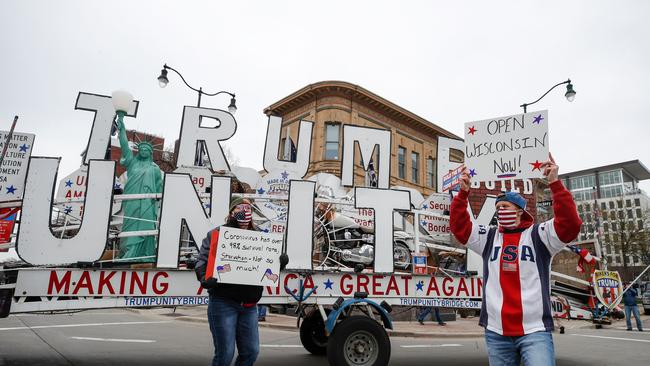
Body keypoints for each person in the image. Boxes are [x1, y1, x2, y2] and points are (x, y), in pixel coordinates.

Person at [450, 154, 581, 366]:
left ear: (520, 211)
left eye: (505, 207)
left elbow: (570, 225)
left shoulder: (539, 235)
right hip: (496, 331)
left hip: (534, 331)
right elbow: (460, 228)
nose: (500, 212)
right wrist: (463, 194)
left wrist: (555, 183)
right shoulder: (489, 237)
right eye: (497, 209)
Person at [195, 197, 261, 366]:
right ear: (232, 212)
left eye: (248, 207)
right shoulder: (216, 234)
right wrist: (204, 278)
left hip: (249, 305)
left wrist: (279, 261)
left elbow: (267, 263)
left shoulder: (260, 237)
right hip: (223, 302)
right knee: (225, 354)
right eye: (240, 207)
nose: (245, 210)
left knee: (251, 352)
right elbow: (202, 261)